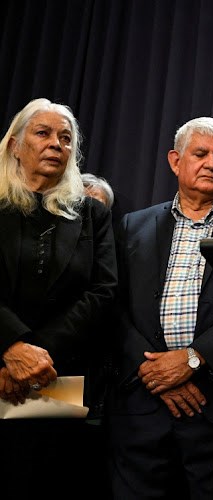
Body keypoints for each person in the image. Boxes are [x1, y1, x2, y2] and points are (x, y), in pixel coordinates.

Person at [108, 117, 213, 499]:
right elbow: (111, 305)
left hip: (210, 407)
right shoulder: (132, 226)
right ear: (176, 161)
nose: (210, 163)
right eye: (200, 153)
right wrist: (151, 370)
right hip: (140, 407)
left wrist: (192, 360)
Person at [0, 98, 117, 497]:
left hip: (56, 376)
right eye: (43, 133)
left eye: (65, 138)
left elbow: (103, 292)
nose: (56, 144)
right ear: (16, 144)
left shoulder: (90, 215)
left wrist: (33, 354)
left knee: (41, 482)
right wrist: (9, 348)